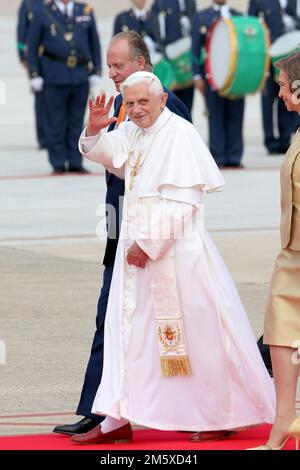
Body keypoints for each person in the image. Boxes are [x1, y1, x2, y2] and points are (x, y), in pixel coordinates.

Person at [70, 71, 275, 444]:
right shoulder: (133, 130)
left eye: (143, 102)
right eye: (129, 104)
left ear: (162, 99)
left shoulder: (180, 134)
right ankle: (118, 417)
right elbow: (111, 156)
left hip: (177, 254)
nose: (135, 110)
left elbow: (185, 203)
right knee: (125, 334)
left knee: (199, 340)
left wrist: (147, 244)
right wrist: (95, 131)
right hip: (136, 253)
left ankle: (218, 416)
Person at [53, 31, 192, 437]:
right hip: (121, 230)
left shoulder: (169, 106)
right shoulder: (118, 105)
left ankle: (195, 406)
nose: (112, 74)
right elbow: (110, 155)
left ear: (143, 65)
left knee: (175, 324)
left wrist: (152, 237)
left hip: (156, 239)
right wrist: (93, 132)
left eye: (119, 66)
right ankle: (102, 412)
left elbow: (179, 175)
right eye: (110, 66)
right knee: (110, 319)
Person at [249, 52, 300, 451]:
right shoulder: (298, 131)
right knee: (280, 331)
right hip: (292, 251)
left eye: (284, 85)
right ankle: (281, 425)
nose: (280, 93)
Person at [27, 0, 102, 174]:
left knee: (77, 121)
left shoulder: (85, 10)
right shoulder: (43, 12)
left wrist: (96, 69)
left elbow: (94, 42)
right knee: (55, 122)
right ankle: (58, 162)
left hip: (80, 75)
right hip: (53, 75)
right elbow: (32, 46)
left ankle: (76, 161)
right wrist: (34, 73)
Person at [192, 0, 245, 168]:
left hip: (236, 76)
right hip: (211, 75)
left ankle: (234, 157)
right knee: (215, 115)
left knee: (236, 114)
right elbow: (195, 48)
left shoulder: (238, 16)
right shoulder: (201, 17)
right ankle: (218, 157)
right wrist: (196, 76)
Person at [248, 0, 299, 154]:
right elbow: (251, 27)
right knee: (267, 99)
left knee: (287, 96)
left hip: (289, 57)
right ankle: (270, 141)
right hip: (267, 58)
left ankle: (285, 139)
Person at [151, 0, 196, 112]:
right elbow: (156, 31)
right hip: (170, 59)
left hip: (187, 59)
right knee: (171, 103)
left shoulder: (190, 2)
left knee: (187, 104)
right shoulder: (159, 3)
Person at [17, 0, 46, 149]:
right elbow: (22, 30)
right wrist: (23, 56)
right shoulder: (29, 4)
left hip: (57, 61)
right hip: (37, 59)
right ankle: (43, 137)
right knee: (41, 99)